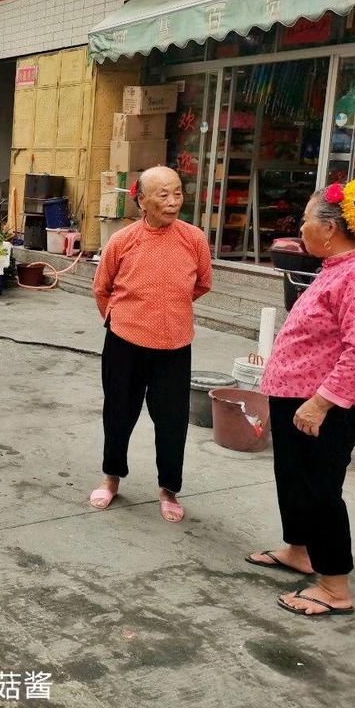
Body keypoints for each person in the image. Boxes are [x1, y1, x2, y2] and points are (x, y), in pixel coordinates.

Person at [248, 179, 355, 617]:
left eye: (307, 219)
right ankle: (300, 550)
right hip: (297, 397)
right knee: (294, 479)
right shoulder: (338, 266)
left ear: (331, 228)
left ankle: (334, 587)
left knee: (319, 489)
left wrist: (322, 401)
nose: (302, 228)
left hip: (325, 405)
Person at [89, 166, 212, 523]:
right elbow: (102, 288)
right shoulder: (123, 240)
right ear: (141, 200)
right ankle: (111, 478)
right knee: (118, 412)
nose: (173, 202)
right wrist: (123, 318)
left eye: (177, 193)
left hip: (175, 344)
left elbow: (202, 283)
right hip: (125, 341)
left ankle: (168, 489)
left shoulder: (194, 239)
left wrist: (168, 309)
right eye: (163, 195)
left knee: (173, 420)